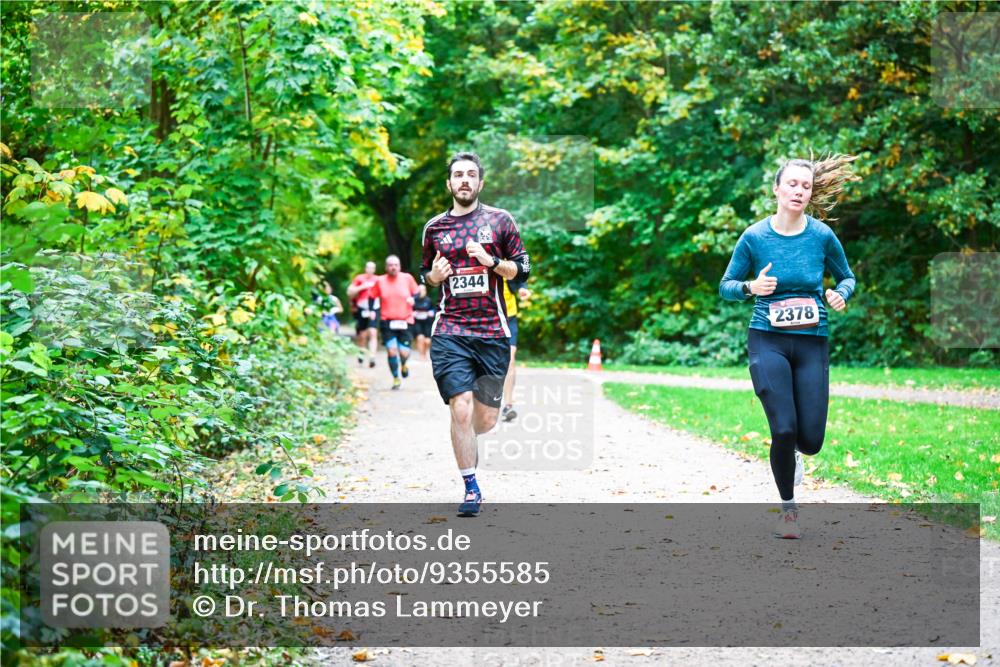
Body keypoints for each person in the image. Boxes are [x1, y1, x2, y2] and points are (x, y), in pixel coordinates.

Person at [720, 154, 858, 539]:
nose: (799, 191)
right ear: (777, 189)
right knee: (783, 428)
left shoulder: (822, 236)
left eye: (806, 186)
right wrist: (751, 287)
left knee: (810, 441)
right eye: (792, 184)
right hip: (767, 339)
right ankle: (788, 510)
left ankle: (796, 455)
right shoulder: (754, 237)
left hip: (812, 342)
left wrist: (840, 293)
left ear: (811, 194)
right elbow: (726, 286)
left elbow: (847, 277)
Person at [421, 151, 530, 517]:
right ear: (449, 184)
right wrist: (434, 277)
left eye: (470, 174)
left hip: (492, 332)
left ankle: (467, 437)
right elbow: (425, 274)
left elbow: (523, 269)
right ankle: (471, 487)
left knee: (484, 421)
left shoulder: (500, 221)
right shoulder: (434, 228)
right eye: (458, 175)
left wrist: (491, 262)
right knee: (461, 407)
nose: (464, 180)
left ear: (480, 183)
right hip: (450, 330)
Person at [368, 255, 419, 390]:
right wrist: (372, 310)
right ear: (386, 267)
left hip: (406, 320)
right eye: (390, 265)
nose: (393, 267)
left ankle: (404, 364)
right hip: (387, 321)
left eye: (396, 265)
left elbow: (417, 292)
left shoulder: (407, 278)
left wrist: (414, 300)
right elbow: (371, 296)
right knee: (391, 351)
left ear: (400, 266)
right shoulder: (380, 281)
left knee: (404, 353)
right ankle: (396, 378)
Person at [499, 280, 530, 422]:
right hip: (488, 318)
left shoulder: (507, 265)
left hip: (509, 317)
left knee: (510, 360)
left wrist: (523, 288)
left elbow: (520, 276)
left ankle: (508, 405)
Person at [347, 261, 380, 368]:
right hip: (362, 307)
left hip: (374, 308)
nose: (370, 270)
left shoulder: (378, 279)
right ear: (365, 268)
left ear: (374, 269)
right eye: (369, 267)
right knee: (362, 335)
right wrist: (362, 287)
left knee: (373, 332)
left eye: (372, 268)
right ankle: (361, 353)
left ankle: (372, 357)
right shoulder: (359, 278)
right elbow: (349, 292)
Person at [411, 284, 435, 360]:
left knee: (427, 341)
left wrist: (431, 312)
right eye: (419, 290)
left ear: (425, 291)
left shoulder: (428, 300)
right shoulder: (413, 300)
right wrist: (412, 313)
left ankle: (424, 353)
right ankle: (421, 355)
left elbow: (433, 310)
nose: (421, 292)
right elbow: (409, 310)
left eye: (423, 290)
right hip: (417, 322)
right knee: (420, 338)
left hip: (427, 322)